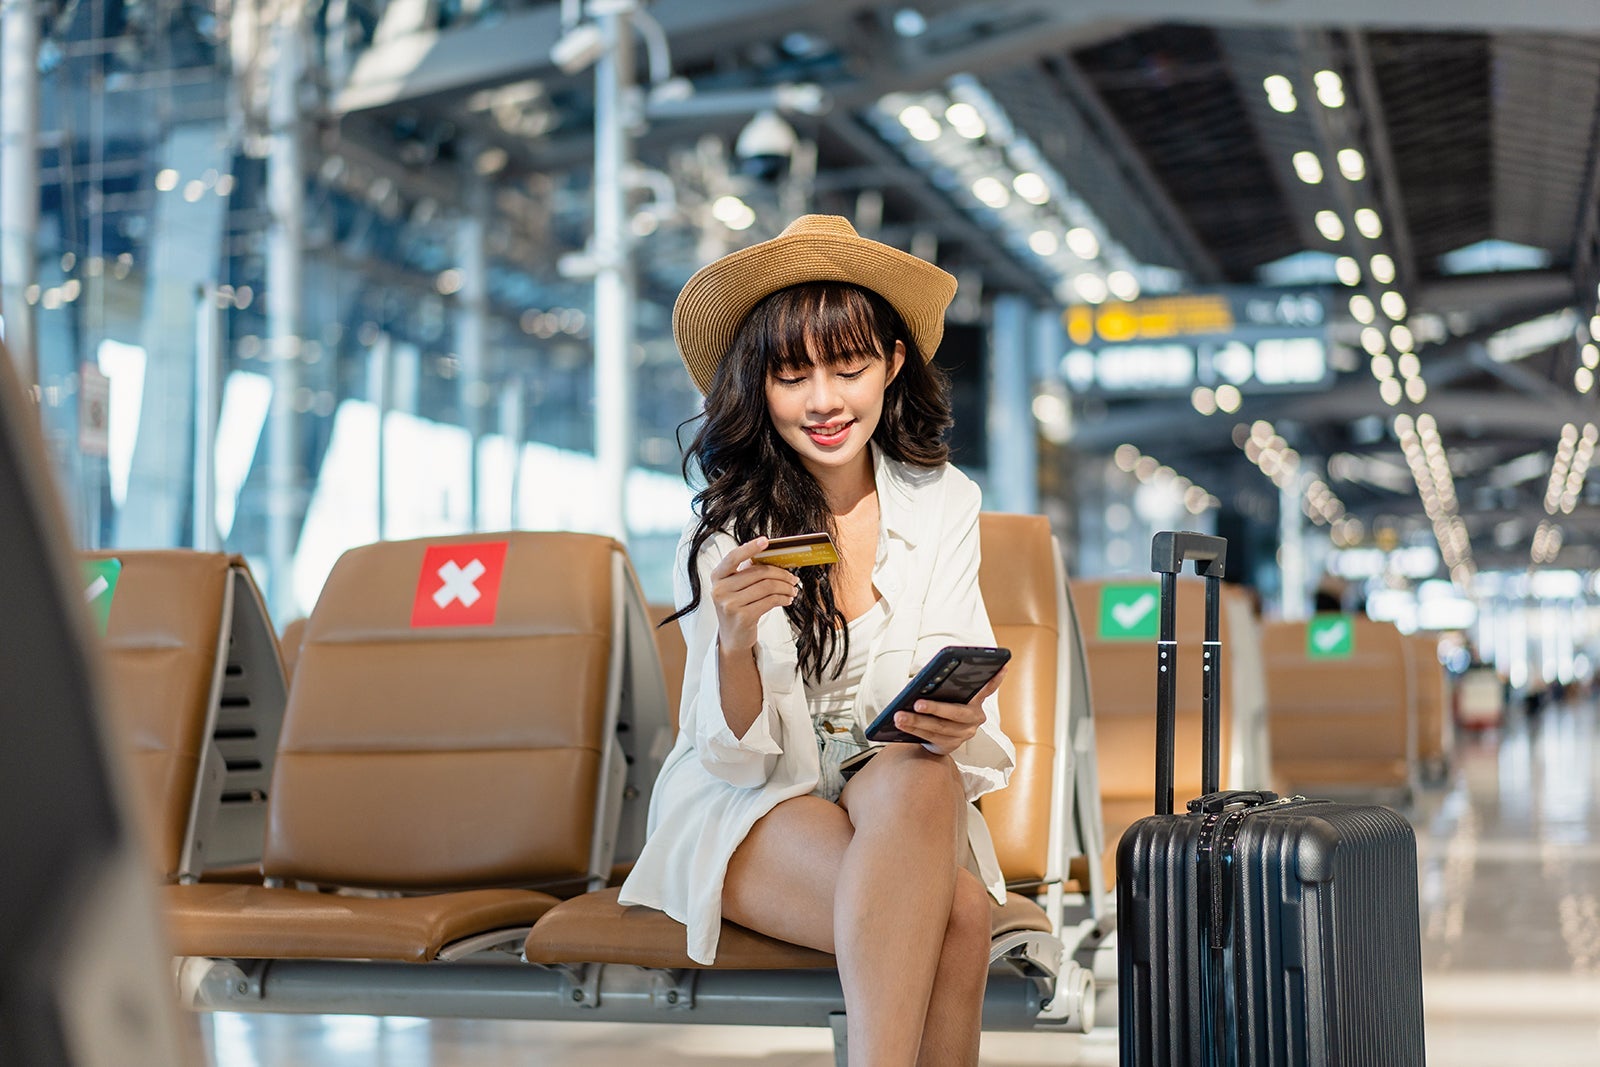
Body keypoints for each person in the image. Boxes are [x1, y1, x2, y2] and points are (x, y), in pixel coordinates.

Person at [617, 215, 1016, 1065]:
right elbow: (733, 760)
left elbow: (954, 667)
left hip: (898, 793)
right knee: (959, 913)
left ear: (893, 364)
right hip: (753, 802)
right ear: (758, 386)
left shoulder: (944, 500)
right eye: (792, 376)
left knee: (917, 771)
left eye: (848, 368)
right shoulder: (728, 529)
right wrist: (731, 641)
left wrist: (957, 717)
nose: (824, 401)